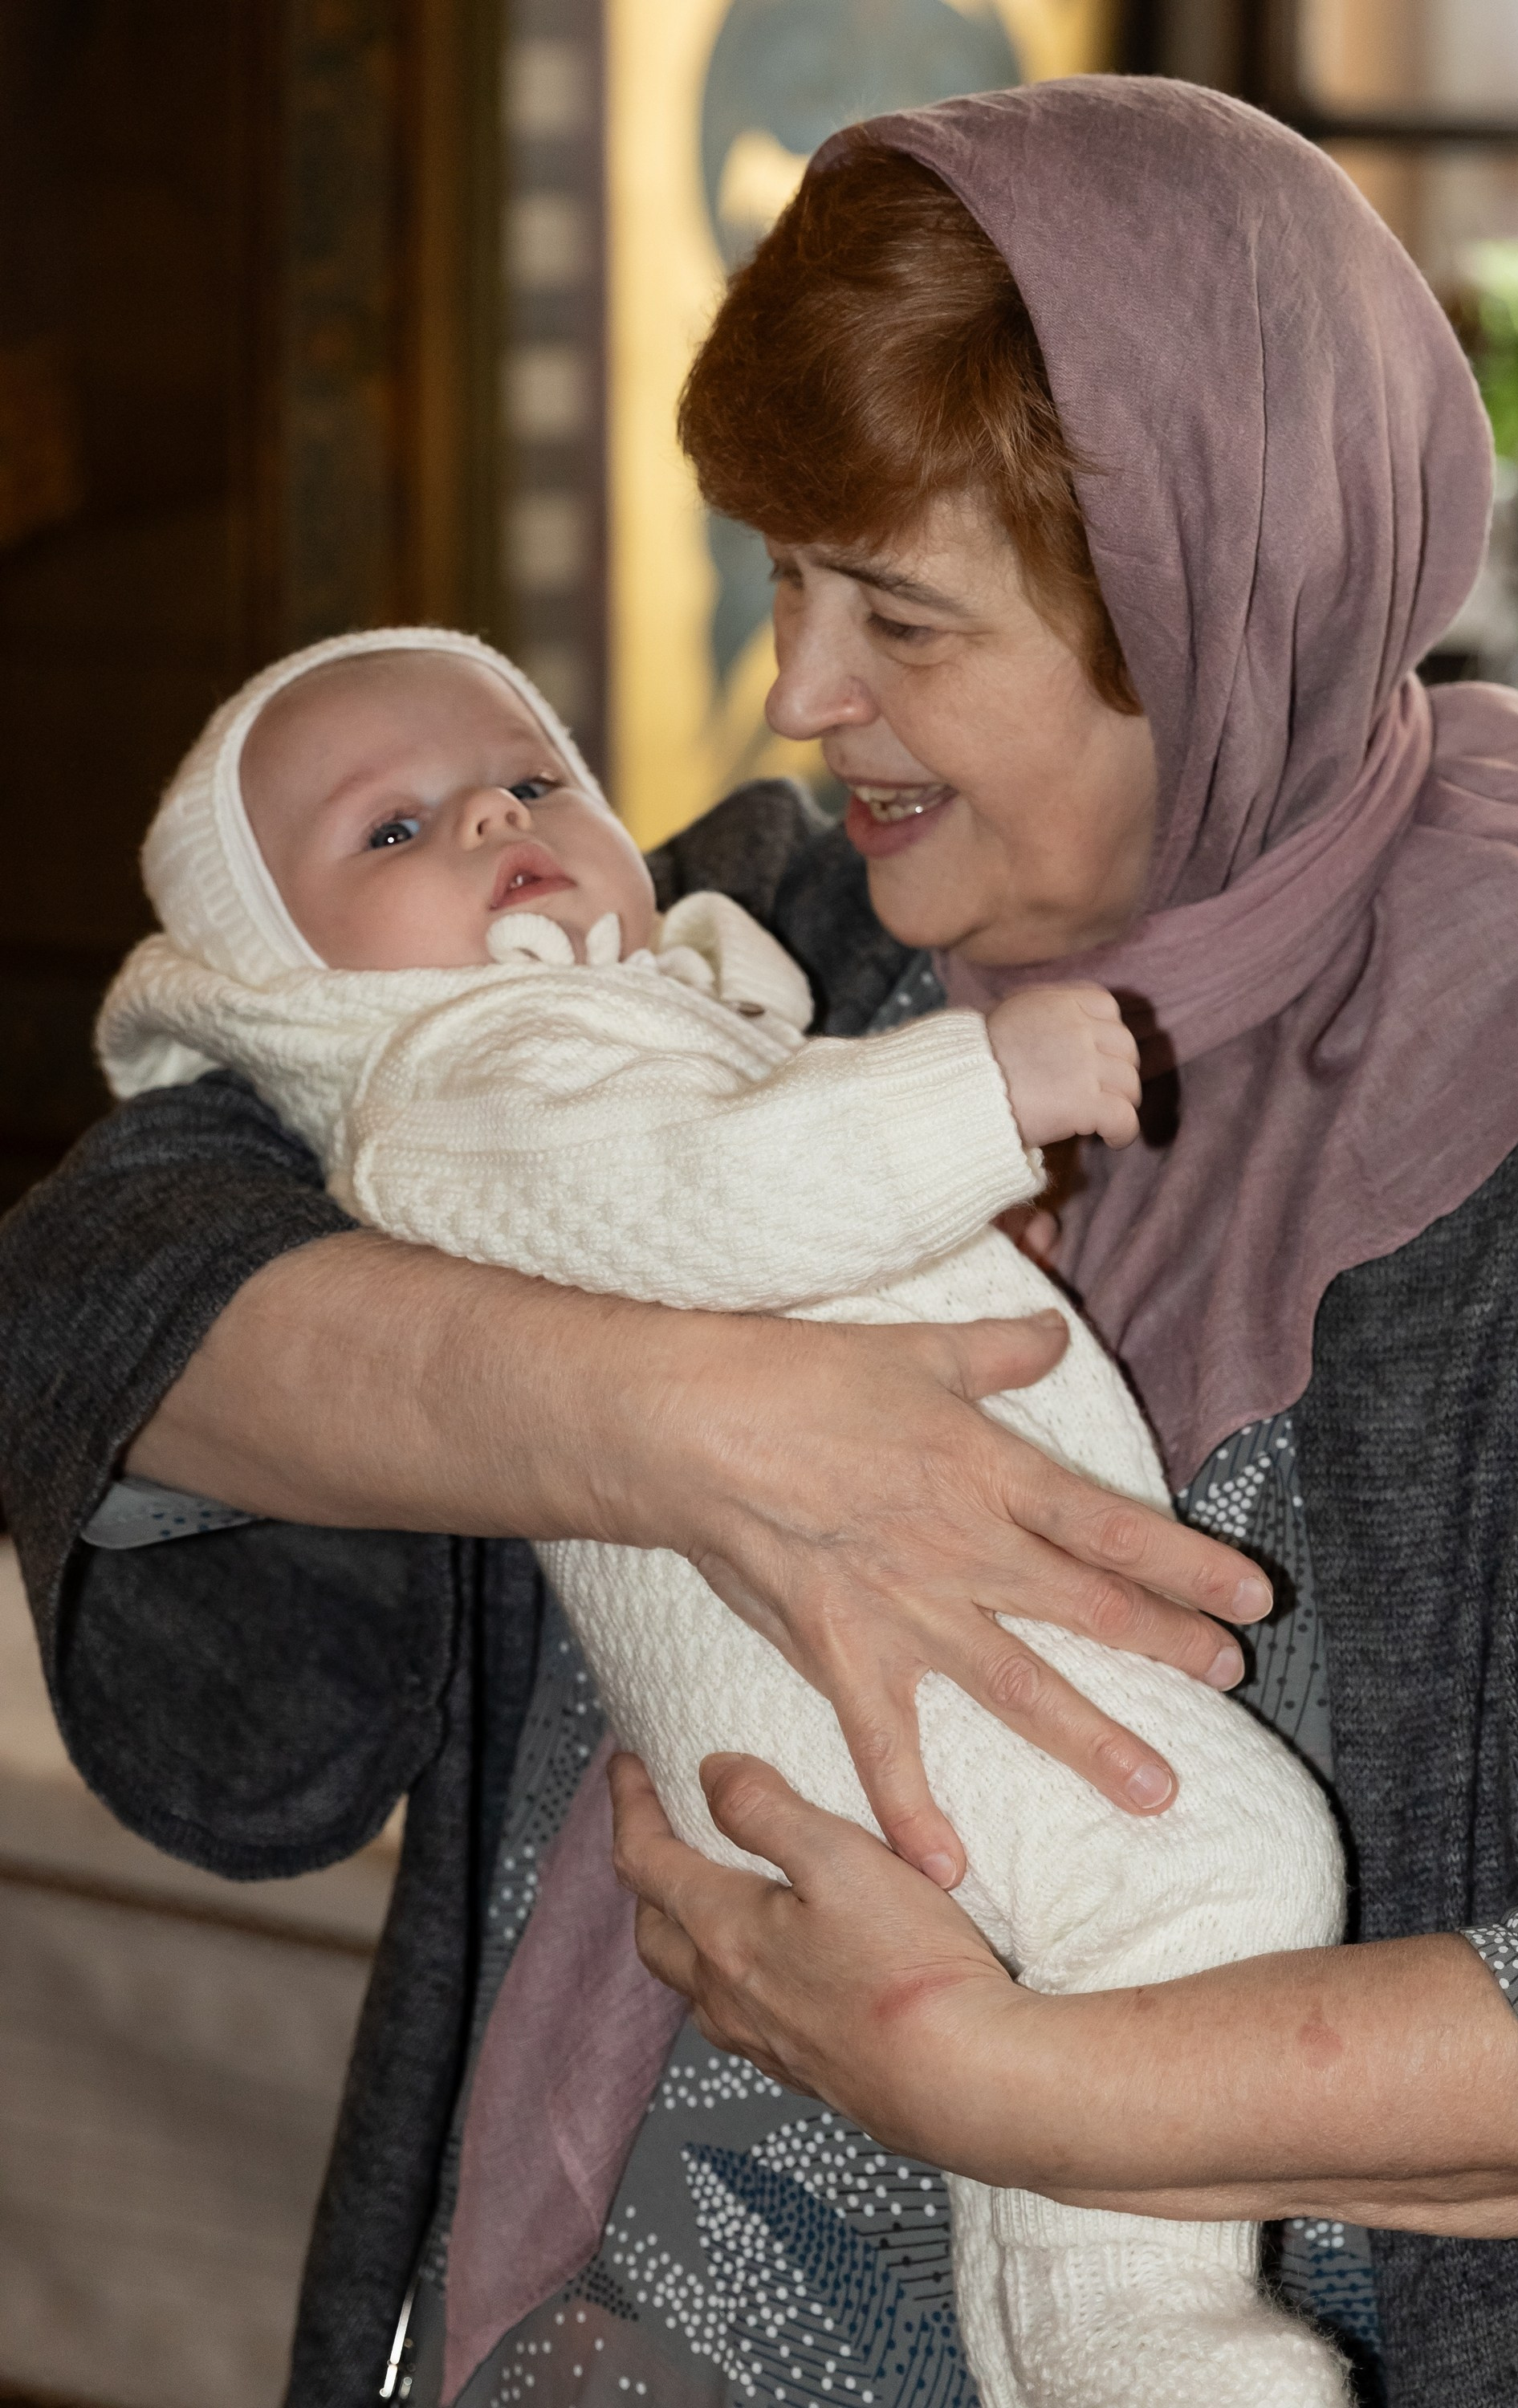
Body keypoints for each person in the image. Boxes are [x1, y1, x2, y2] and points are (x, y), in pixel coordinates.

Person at [2, 70, 1518, 2408]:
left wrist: (998, 2086)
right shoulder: (781, 936)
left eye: (900, 615)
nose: (794, 693)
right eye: (779, 570)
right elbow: (104, 1267)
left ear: (1205, 600)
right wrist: (670, 1422)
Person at [95, 622, 1346, 2404]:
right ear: (286, 983)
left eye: (532, 777)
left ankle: (1062, 2346)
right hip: (817, 1700)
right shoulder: (459, 1081)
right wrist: (976, 1100)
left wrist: (951, 1241)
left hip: (875, 1676)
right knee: (1216, 1867)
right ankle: (1140, 2345)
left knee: (1110, 1954)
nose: (484, 821)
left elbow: (735, 1161)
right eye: (388, 833)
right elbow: (702, 1191)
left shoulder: (641, 1016)